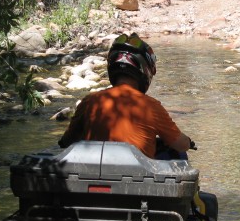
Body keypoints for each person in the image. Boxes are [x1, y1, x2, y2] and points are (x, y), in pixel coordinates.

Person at [58, 33, 193, 159]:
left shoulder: (90, 101)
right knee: (178, 154)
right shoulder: (151, 107)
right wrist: (188, 142)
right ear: (145, 70)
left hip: (91, 174)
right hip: (139, 179)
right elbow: (181, 145)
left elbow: (66, 142)